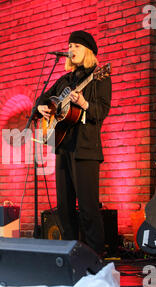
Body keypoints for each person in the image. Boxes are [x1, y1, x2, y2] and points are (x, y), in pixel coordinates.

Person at [36, 31, 112, 255]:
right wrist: (40, 108)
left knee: (88, 208)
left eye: (76, 46)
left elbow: (101, 111)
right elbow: (43, 98)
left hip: (86, 150)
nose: (71, 49)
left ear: (88, 51)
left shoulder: (100, 77)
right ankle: (71, 256)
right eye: (69, 46)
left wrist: (85, 104)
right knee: (64, 208)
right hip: (63, 147)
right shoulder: (65, 80)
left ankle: (96, 257)